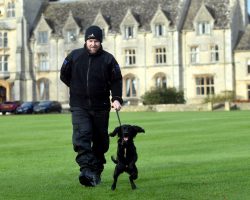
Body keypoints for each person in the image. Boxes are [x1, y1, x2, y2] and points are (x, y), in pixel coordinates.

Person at [60, 25, 123, 187]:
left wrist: (116, 98)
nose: (93, 44)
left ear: (100, 42)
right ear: (85, 41)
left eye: (96, 41)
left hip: (101, 106)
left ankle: (96, 171)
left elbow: (116, 79)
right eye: (90, 40)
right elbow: (64, 74)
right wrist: (76, 88)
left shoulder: (109, 59)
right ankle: (86, 170)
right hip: (79, 105)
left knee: (100, 141)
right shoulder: (74, 56)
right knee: (82, 135)